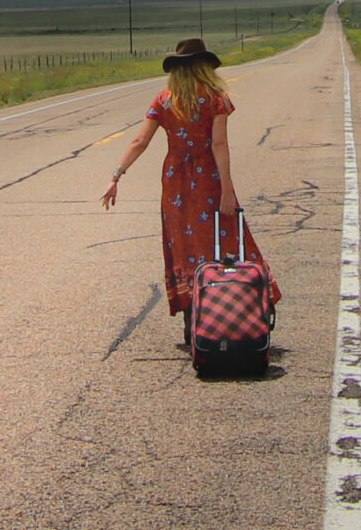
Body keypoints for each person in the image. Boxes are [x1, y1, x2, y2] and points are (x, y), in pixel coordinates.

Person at [99, 36, 278, 345]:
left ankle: (192, 314)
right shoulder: (216, 98)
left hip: (176, 181)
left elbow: (139, 141)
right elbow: (218, 144)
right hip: (209, 178)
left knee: (183, 245)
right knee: (223, 240)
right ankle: (235, 308)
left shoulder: (163, 100)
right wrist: (227, 189)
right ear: (204, 67)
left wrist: (116, 176)